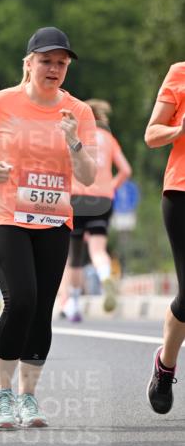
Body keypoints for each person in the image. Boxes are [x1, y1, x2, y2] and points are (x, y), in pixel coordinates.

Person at [0, 27, 96, 429]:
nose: (53, 69)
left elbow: (88, 176)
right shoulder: (1, 103)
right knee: (21, 299)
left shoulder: (78, 112)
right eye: (46, 61)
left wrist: (73, 142)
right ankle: (2, 393)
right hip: (5, 216)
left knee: (41, 309)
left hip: (53, 219)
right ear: (29, 63)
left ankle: (28, 397)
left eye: (61, 63)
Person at [61, 99, 132, 321]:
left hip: (77, 197)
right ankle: (105, 277)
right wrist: (110, 186)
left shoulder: (75, 135)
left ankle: (73, 304)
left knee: (75, 256)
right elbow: (126, 170)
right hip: (103, 198)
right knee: (98, 249)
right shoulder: (109, 138)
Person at [144, 61, 185, 414]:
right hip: (182, 192)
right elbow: (152, 134)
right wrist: (179, 129)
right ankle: (165, 365)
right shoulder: (180, 74)